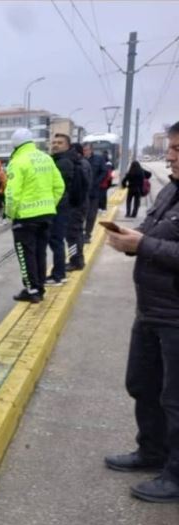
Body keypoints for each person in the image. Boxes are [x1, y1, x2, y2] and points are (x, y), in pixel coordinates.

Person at [104, 120, 179, 503]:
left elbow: (158, 245)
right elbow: (154, 234)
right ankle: (152, 451)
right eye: (170, 148)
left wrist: (143, 246)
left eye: (177, 150)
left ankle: (176, 475)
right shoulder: (173, 192)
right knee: (142, 384)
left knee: (175, 397)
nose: (169, 156)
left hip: (174, 316)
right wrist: (130, 240)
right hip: (151, 309)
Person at [5, 128, 63, 303]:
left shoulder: (17, 161)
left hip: (25, 217)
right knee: (40, 252)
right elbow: (59, 186)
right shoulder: (46, 158)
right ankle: (40, 287)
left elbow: (11, 193)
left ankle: (31, 290)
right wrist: (50, 204)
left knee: (25, 254)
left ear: (15, 145)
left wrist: (11, 214)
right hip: (46, 215)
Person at [44, 133, 74, 286]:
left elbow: (57, 187)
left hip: (59, 207)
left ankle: (58, 275)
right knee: (55, 240)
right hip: (58, 206)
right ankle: (58, 273)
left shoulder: (64, 163)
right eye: (54, 142)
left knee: (56, 240)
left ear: (67, 145)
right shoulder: (57, 160)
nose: (55, 145)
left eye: (60, 142)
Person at [66, 142, 90, 271]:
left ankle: (75, 261)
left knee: (72, 235)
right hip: (81, 204)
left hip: (76, 206)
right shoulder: (84, 164)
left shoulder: (79, 166)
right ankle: (77, 259)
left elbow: (77, 188)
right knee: (77, 233)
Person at [83, 143, 107, 244]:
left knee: (91, 215)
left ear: (91, 150)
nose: (85, 152)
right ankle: (80, 233)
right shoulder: (80, 160)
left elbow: (104, 171)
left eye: (87, 150)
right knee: (81, 215)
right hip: (82, 192)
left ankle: (87, 234)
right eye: (83, 150)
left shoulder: (99, 159)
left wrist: (96, 182)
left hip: (94, 192)